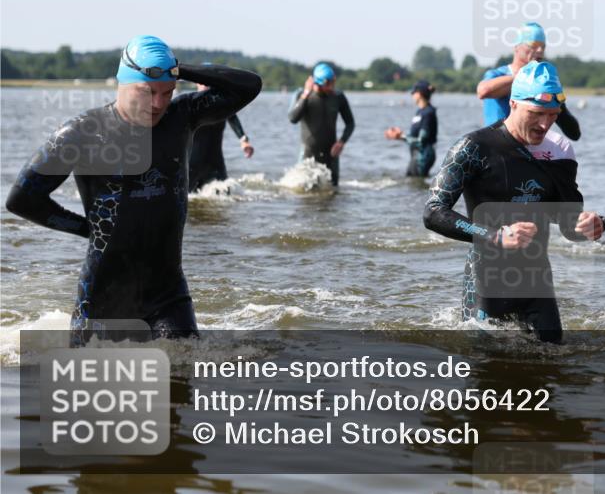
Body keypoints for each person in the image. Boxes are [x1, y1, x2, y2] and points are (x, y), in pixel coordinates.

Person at [5, 35, 262, 342]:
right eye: (148, 92)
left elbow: (249, 85)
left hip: (168, 295)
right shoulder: (82, 133)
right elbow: (22, 199)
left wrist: (180, 69)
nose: (158, 103)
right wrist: (87, 229)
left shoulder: (181, 117)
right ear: (123, 82)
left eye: (167, 93)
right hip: (103, 299)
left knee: (184, 376)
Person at [424, 61, 605, 344]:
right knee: (486, 369)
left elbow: (569, 223)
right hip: (486, 282)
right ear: (513, 104)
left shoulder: (560, 150)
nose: (545, 124)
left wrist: (594, 225)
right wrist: (494, 235)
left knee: (552, 363)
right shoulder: (474, 148)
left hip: (537, 282)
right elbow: (434, 212)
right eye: (536, 113)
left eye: (552, 115)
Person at [476, 22, 581, 141]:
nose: (540, 50)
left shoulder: (544, 83)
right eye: (534, 45)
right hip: (496, 145)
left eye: (543, 46)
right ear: (517, 47)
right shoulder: (497, 74)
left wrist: (556, 104)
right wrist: (522, 77)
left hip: (527, 149)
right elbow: (483, 91)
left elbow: (574, 134)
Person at [288, 62, 355, 185]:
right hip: (308, 154)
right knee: (304, 193)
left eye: (334, 82)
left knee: (333, 191)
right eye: (330, 83)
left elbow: (350, 123)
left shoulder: (338, 97)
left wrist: (341, 142)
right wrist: (306, 94)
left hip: (331, 155)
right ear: (319, 82)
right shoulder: (301, 95)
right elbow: (293, 118)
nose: (333, 86)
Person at [188, 72, 255, 193]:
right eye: (202, 81)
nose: (205, 84)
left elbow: (233, 119)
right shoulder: (188, 104)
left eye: (208, 81)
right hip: (192, 164)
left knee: (226, 194)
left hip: (215, 163)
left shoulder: (222, 105)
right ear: (196, 83)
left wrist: (244, 141)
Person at [384, 80, 438, 177]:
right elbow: (414, 136)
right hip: (416, 154)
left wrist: (401, 136)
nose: (412, 95)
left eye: (413, 92)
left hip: (423, 156)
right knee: (412, 182)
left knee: (416, 182)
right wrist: (399, 135)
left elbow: (421, 141)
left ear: (419, 94)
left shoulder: (428, 113)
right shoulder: (419, 112)